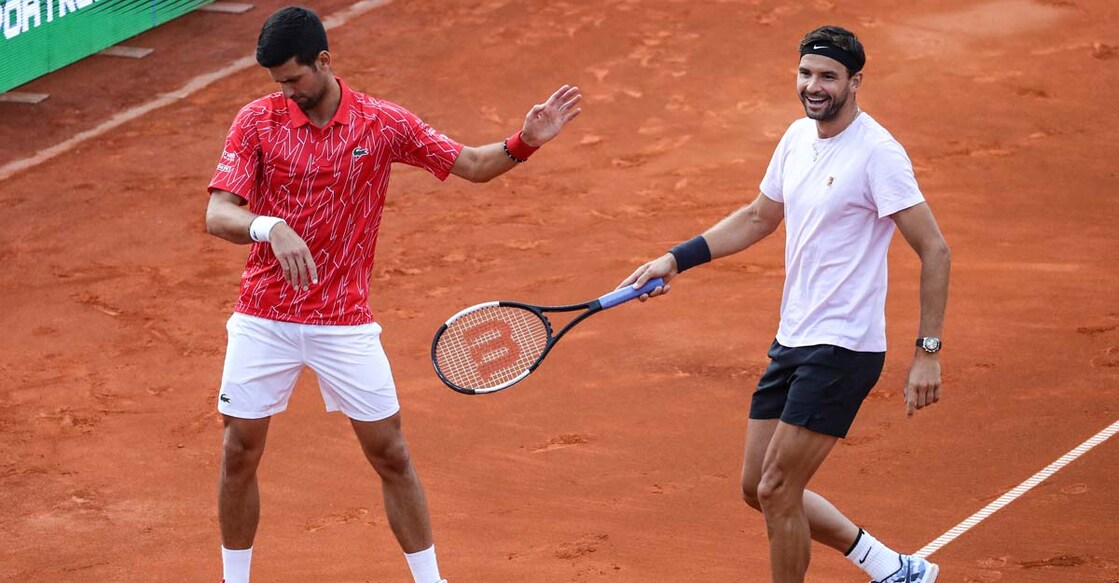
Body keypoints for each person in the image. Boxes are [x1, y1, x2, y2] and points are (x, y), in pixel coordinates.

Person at [204, 6, 581, 583]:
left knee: (392, 455)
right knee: (238, 453)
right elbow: (218, 212)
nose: (286, 92)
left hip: (344, 322)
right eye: (277, 82)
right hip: (265, 317)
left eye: (294, 79)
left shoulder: (382, 123)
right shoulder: (257, 121)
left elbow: (475, 165)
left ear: (324, 61)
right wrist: (269, 227)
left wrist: (524, 142)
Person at [618, 25, 949, 583]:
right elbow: (757, 218)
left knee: (778, 488)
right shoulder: (797, 138)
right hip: (793, 337)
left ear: (855, 81)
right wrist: (676, 258)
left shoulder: (878, 154)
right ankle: (891, 567)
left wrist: (928, 352)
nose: (813, 86)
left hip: (843, 345)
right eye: (805, 74)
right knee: (757, 487)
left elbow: (935, 250)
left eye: (827, 76)